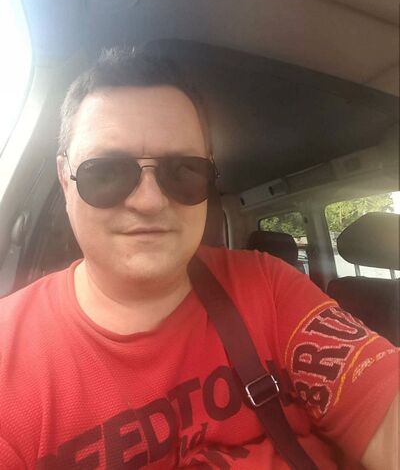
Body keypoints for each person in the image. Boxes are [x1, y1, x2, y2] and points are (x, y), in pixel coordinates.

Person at [0, 48, 398, 470]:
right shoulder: (9, 359)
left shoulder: (268, 286)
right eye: (107, 172)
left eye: (182, 171)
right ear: (66, 181)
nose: (150, 201)